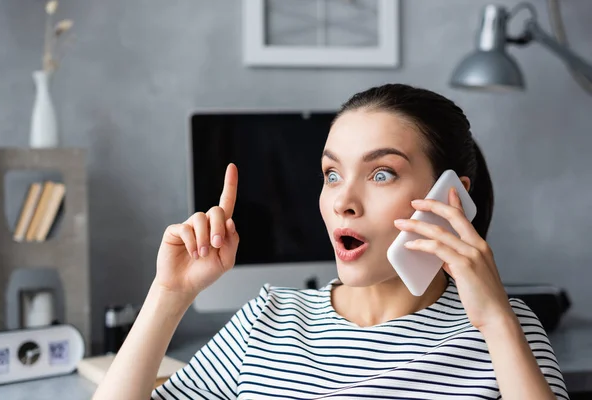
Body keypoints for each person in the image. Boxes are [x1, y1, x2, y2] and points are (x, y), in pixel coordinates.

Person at [93, 84, 569, 400]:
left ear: (451, 196)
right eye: (332, 173)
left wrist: (494, 319)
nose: (343, 200)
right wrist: (169, 296)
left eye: (381, 173)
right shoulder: (268, 319)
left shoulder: (502, 329)